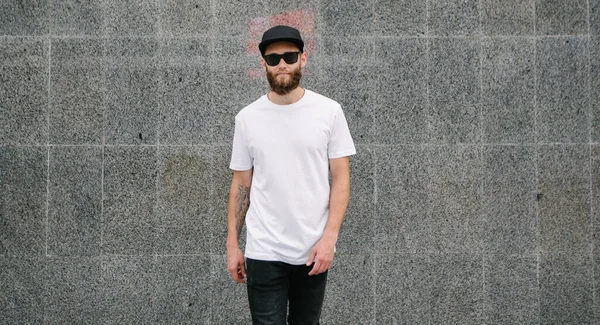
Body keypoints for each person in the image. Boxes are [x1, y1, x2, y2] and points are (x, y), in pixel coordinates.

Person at [226, 25, 356, 325]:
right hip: (264, 250)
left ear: (303, 59)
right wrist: (233, 245)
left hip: (313, 251)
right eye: (273, 58)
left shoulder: (329, 111)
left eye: (289, 56)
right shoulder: (247, 119)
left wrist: (329, 240)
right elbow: (241, 184)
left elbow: (341, 179)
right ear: (263, 65)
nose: (282, 63)